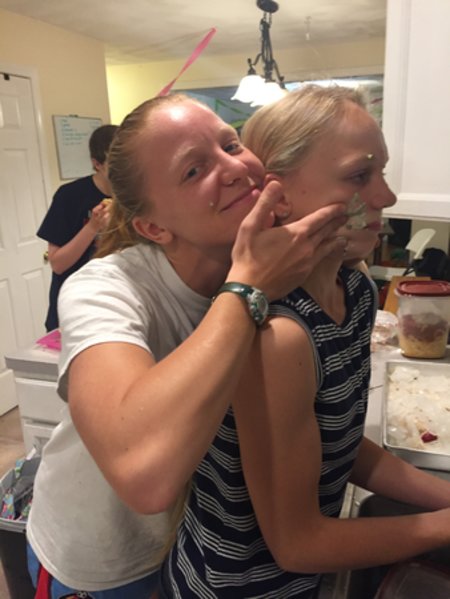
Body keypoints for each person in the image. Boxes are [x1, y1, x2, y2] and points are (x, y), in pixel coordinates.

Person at [26, 94, 348, 599]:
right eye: (194, 170)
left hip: (197, 551)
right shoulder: (105, 288)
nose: (236, 168)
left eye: (231, 145)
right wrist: (249, 287)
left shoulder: (278, 271)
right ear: (153, 227)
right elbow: (144, 477)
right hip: (103, 562)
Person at [159, 85, 450, 598]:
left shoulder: (355, 289)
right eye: (360, 176)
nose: (385, 197)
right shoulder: (276, 335)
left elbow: (340, 447)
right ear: (279, 195)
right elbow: (297, 544)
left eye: (382, 173)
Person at [37, 124, 118, 331]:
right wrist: (93, 227)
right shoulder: (69, 196)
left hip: (116, 302)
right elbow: (58, 263)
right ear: (97, 164)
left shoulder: (134, 194)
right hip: (74, 309)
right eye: (115, 163)